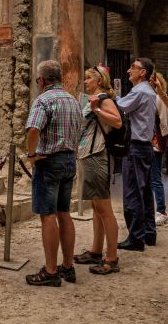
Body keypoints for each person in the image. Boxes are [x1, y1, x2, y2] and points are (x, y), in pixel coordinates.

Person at [25, 60, 82, 287]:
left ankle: (50, 271)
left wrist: (31, 155)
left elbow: (33, 130)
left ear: (41, 80)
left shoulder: (43, 100)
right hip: (69, 159)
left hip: (49, 162)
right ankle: (67, 266)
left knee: (48, 215)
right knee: (64, 213)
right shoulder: (73, 100)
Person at [74, 66, 122, 274]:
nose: (85, 82)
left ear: (99, 80)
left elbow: (118, 122)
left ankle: (111, 258)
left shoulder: (103, 99)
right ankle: (95, 250)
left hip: (97, 154)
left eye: (88, 78)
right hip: (88, 154)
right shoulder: (94, 98)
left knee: (104, 209)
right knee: (96, 207)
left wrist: (97, 110)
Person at [116, 57, 157, 251]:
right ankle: (149, 233)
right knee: (146, 193)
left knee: (132, 192)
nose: (128, 70)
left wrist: (107, 96)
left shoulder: (139, 91)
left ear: (143, 73)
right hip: (146, 147)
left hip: (136, 147)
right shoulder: (149, 91)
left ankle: (135, 238)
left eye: (133, 67)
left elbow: (121, 106)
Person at [150, 72, 168, 225]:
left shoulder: (159, 98)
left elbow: (162, 121)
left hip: (155, 142)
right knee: (151, 178)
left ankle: (161, 210)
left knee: (155, 178)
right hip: (150, 141)